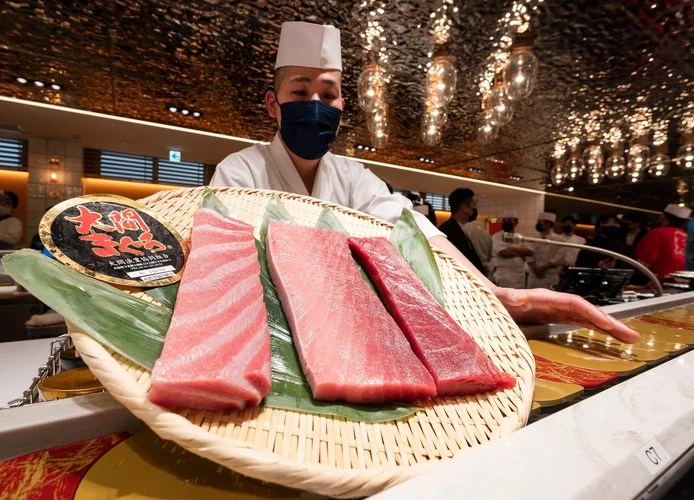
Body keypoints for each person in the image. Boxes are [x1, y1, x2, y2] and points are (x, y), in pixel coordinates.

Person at [209, 21, 639, 343]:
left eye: (328, 93)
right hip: (267, 334)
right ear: (272, 103)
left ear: (342, 106)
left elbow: (412, 230)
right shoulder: (239, 171)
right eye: (300, 94)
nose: (316, 105)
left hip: (343, 331)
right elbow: (226, 270)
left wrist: (497, 295)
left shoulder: (352, 177)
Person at [636, 204, 690, 279]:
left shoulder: (658, 233)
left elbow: (645, 260)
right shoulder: (687, 236)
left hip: (659, 280)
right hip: (684, 279)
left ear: (663, 216)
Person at [438, 188, 486, 274]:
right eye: (473, 206)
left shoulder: (460, 228)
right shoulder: (447, 230)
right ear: (464, 208)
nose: (474, 210)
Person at [490, 210, 532, 289]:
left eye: (509, 220)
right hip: (504, 273)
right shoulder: (497, 236)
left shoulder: (521, 237)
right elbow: (503, 252)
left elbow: (530, 251)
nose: (506, 222)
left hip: (519, 274)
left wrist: (512, 248)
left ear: (516, 223)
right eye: (504, 221)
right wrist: (521, 253)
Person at [526, 212, 566, 289]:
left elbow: (558, 258)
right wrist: (536, 269)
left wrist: (542, 268)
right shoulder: (532, 239)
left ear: (548, 224)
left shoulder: (560, 240)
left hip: (550, 276)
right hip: (534, 276)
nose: (538, 224)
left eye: (540, 222)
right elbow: (529, 255)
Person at [464, 208, 492, 274]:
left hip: (470, 268)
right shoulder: (487, 234)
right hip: (484, 269)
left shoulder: (465, 229)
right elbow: (489, 256)